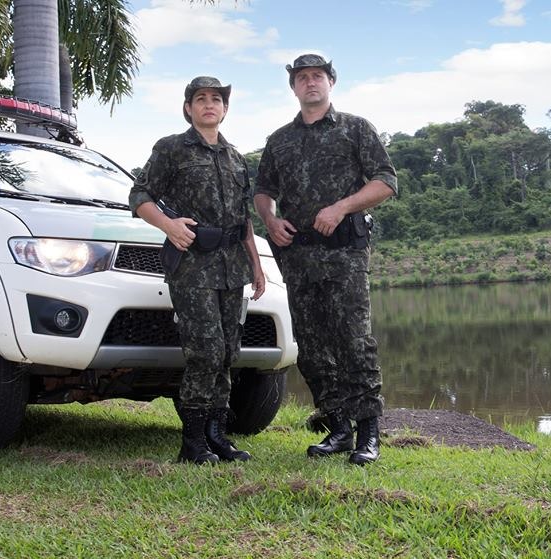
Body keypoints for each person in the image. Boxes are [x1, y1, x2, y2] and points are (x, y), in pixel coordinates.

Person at [253, 54, 398, 465]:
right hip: (297, 257)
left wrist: (341, 207)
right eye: (302, 78)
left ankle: (369, 432)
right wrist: (270, 218)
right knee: (313, 346)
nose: (310, 83)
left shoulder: (356, 129)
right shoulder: (279, 139)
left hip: (344, 255)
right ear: (293, 87)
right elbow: (263, 189)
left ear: (331, 82)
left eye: (317, 76)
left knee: (354, 341)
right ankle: (338, 428)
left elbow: (386, 182)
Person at [129, 76, 266, 464]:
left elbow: (243, 219)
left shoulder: (235, 158)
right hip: (191, 266)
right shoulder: (172, 148)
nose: (209, 105)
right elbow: (139, 195)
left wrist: (256, 266)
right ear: (188, 108)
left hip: (231, 265)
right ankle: (192, 443)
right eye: (201, 99)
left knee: (227, 353)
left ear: (225, 109)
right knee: (204, 351)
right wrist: (168, 226)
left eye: (217, 99)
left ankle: (217, 437)